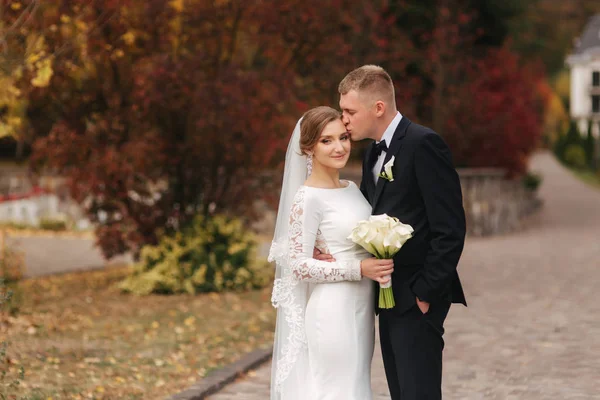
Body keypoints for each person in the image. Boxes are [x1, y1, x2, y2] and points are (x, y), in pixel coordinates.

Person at [338, 65, 467, 400]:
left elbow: (449, 228)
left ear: (378, 108)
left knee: (418, 393)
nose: (344, 120)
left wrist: (424, 294)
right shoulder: (371, 154)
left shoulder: (424, 144)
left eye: (350, 111)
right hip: (387, 296)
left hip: (416, 295)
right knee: (400, 392)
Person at [268, 106, 394, 400]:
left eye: (343, 138)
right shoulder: (307, 198)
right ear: (308, 147)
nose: (339, 147)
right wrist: (359, 270)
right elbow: (298, 266)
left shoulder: (351, 188)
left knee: (355, 385)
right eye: (327, 140)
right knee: (337, 390)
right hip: (333, 311)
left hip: (362, 308)